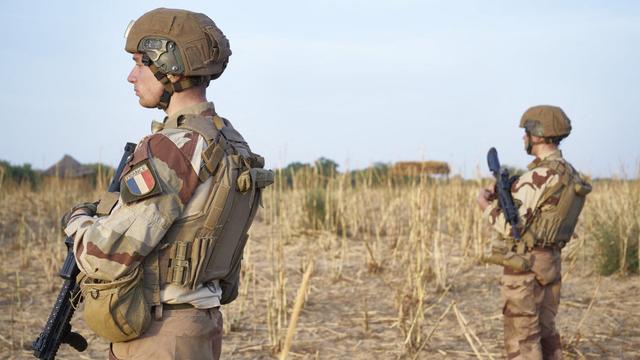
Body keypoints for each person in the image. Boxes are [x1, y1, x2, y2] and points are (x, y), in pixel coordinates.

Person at [63, 8, 272, 359]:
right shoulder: (230, 142)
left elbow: (107, 255)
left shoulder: (173, 147)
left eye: (140, 63)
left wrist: (78, 224)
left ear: (169, 65)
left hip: (161, 333)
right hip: (199, 325)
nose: (132, 76)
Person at [477, 105, 591, 360]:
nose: (523, 138)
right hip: (550, 262)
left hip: (526, 265)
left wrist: (484, 205)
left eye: (526, 132)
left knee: (522, 338)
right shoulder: (569, 173)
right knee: (546, 333)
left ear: (537, 136)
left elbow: (511, 227)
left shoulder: (538, 176)